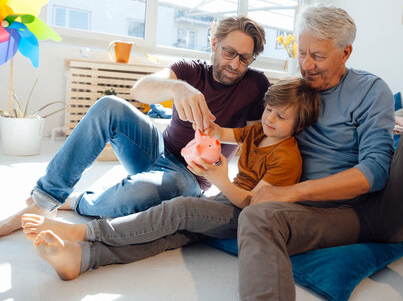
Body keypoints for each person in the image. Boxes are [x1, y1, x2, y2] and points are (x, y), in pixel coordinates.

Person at [235, 4, 403, 301]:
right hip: (325, 218)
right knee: (256, 217)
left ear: (345, 53)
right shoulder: (295, 92)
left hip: (379, 210)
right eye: (301, 52)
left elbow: (376, 170)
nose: (306, 65)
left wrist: (293, 192)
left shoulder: (370, 89)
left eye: (318, 56)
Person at [21, 77, 321, 281]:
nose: (270, 119)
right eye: (269, 110)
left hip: (244, 215)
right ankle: (83, 258)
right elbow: (225, 133)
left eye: (281, 117)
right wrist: (206, 130)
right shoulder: (259, 131)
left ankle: (87, 234)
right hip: (223, 200)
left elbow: (255, 204)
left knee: (178, 209)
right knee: (167, 237)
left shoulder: (287, 157)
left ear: (299, 125)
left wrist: (219, 179)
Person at [0, 15, 270, 236]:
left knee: (147, 191)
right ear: (214, 44)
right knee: (109, 105)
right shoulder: (190, 70)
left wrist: (230, 169)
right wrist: (176, 87)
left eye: (244, 58)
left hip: (189, 177)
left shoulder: (256, 85)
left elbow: (257, 139)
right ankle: (44, 202)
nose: (235, 64)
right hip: (157, 149)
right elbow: (140, 90)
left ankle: (77, 202)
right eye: (229, 52)